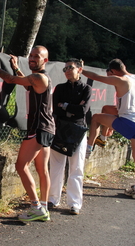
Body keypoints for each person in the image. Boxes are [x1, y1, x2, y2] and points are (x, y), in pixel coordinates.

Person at [0, 45, 55, 222]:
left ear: (45, 60)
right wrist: (16, 66)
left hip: (38, 128)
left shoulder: (38, 77)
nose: (32, 58)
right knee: (42, 170)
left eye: (36, 56)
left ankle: (36, 207)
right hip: (47, 128)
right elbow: (24, 82)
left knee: (20, 166)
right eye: (31, 55)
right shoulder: (39, 79)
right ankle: (43, 207)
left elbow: (9, 80)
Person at [82, 59, 135, 200]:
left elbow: (95, 76)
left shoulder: (120, 80)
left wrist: (80, 69)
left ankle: (89, 148)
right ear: (124, 66)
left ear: (113, 71)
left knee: (96, 118)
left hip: (127, 120)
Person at [49, 58, 91, 215]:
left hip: (78, 131)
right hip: (60, 129)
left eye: (70, 68)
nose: (66, 71)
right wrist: (71, 108)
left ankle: (74, 203)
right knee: (56, 166)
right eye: (65, 68)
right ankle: (53, 199)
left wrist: (65, 105)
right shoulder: (59, 88)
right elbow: (56, 109)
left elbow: (82, 111)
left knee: (77, 168)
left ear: (79, 69)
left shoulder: (86, 89)